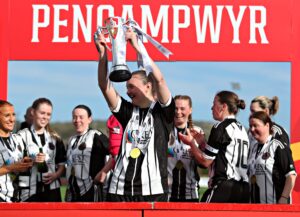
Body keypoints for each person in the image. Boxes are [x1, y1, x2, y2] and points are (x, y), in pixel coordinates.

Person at [95, 28, 175, 202]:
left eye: (132, 86)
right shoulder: (127, 111)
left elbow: (160, 80)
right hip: (119, 189)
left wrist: (138, 47)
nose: (127, 90)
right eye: (127, 87)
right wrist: (102, 53)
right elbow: (103, 84)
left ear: (147, 86)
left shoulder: (164, 113)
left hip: (153, 190)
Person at [179, 90, 250, 203]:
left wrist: (191, 143)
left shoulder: (220, 127)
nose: (212, 108)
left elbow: (205, 161)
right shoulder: (242, 129)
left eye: (214, 104)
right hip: (244, 189)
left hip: (224, 187)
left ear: (223, 106)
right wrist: (202, 143)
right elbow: (221, 154)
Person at [18, 98, 66, 202]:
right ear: (33, 112)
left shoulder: (55, 138)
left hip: (52, 190)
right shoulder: (20, 136)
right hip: (28, 191)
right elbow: (14, 164)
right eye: (42, 113)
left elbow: (61, 164)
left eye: (48, 114)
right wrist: (32, 160)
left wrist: (56, 175)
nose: (45, 117)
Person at [248, 111, 296, 204]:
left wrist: (284, 198)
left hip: (275, 206)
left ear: (267, 125)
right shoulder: (253, 148)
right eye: (250, 126)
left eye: (256, 125)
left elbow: (291, 175)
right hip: (256, 208)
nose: (252, 129)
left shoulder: (278, 145)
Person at [65, 105, 109, 202]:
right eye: (74, 117)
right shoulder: (71, 140)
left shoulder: (96, 136)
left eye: (81, 117)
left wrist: (104, 172)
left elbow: (114, 153)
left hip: (90, 189)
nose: (77, 120)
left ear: (89, 119)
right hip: (72, 191)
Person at [167, 95, 203, 202]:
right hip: (166, 195)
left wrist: (198, 147)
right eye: (175, 108)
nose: (178, 112)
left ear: (190, 110)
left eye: (182, 109)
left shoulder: (197, 132)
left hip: (190, 195)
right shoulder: (164, 130)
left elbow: (203, 163)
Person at [0, 100, 32, 202]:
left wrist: (24, 194)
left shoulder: (18, 139)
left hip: (17, 200)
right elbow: (12, 167)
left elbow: (24, 172)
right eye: (7, 115)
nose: (12, 119)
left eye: (13, 115)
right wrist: (10, 168)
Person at [93, 114, 123, 200]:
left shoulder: (116, 118)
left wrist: (103, 172)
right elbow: (116, 155)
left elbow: (116, 154)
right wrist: (104, 171)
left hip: (122, 183)